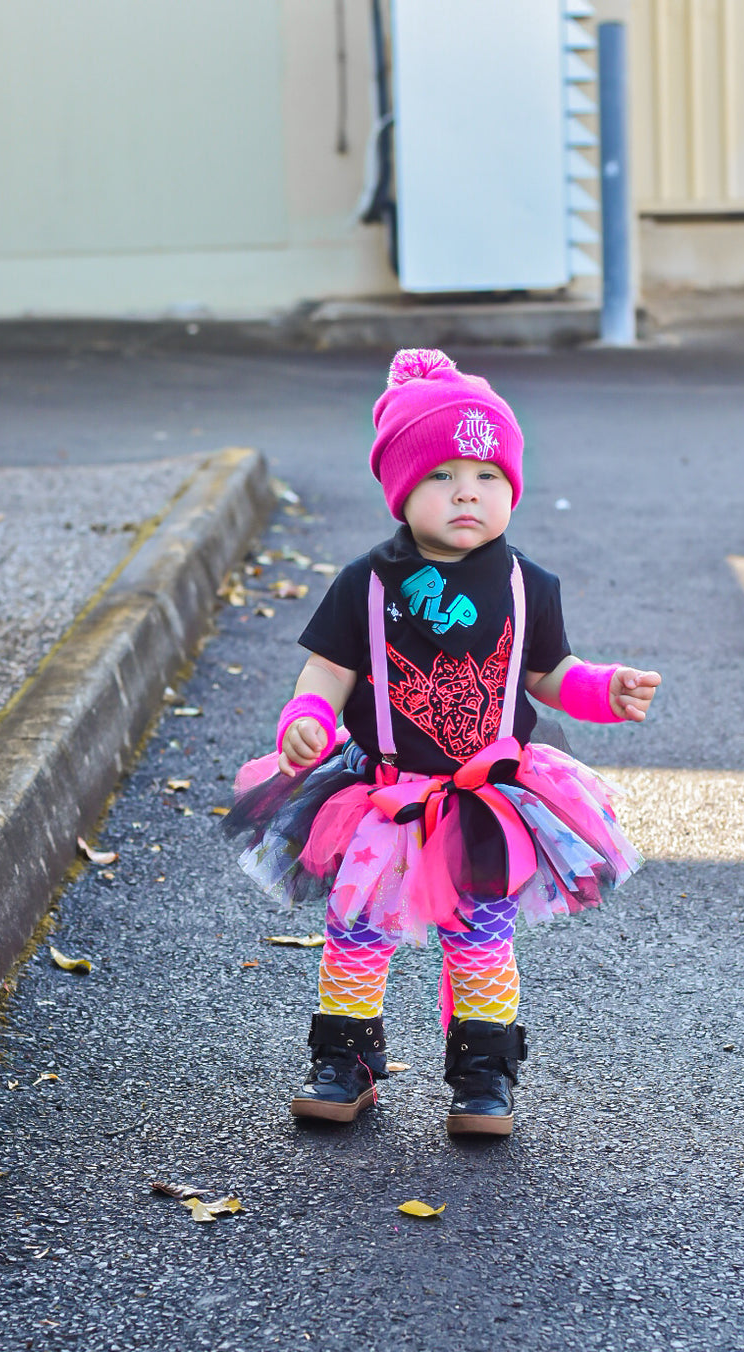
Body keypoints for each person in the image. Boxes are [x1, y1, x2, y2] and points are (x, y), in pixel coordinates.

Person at [225, 349, 659, 1137]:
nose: (467, 491)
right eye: (441, 476)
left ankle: (484, 1070)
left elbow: (550, 676)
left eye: (487, 475)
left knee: (481, 937)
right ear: (400, 490)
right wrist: (307, 722)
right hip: (383, 794)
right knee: (360, 927)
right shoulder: (366, 582)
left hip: (485, 800)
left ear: (512, 488)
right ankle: (346, 1061)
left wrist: (604, 690)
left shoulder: (530, 584)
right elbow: (325, 675)